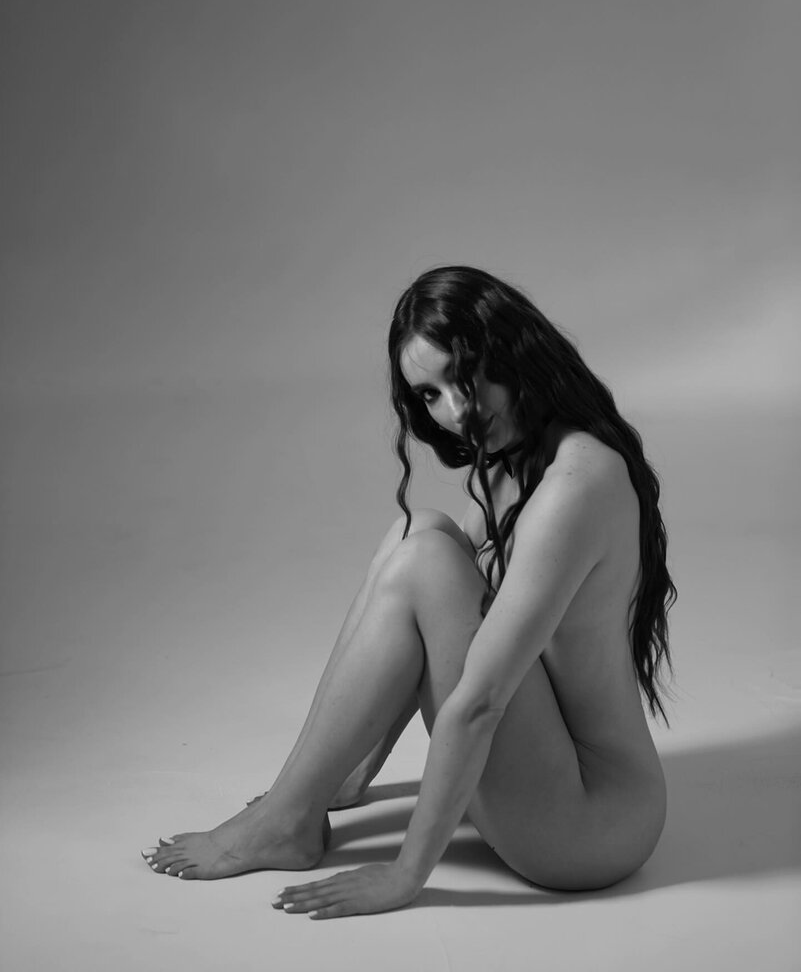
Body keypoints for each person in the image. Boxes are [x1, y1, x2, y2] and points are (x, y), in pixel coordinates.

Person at [141, 265, 676, 919]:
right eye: (429, 394)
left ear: (516, 352)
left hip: (587, 829)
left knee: (426, 557)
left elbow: (479, 700)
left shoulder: (577, 483)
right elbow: (431, 623)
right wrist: (355, 771)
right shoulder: (520, 461)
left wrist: (405, 875)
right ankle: (327, 787)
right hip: (550, 779)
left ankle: (285, 820)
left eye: (465, 376)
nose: (456, 412)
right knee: (419, 531)